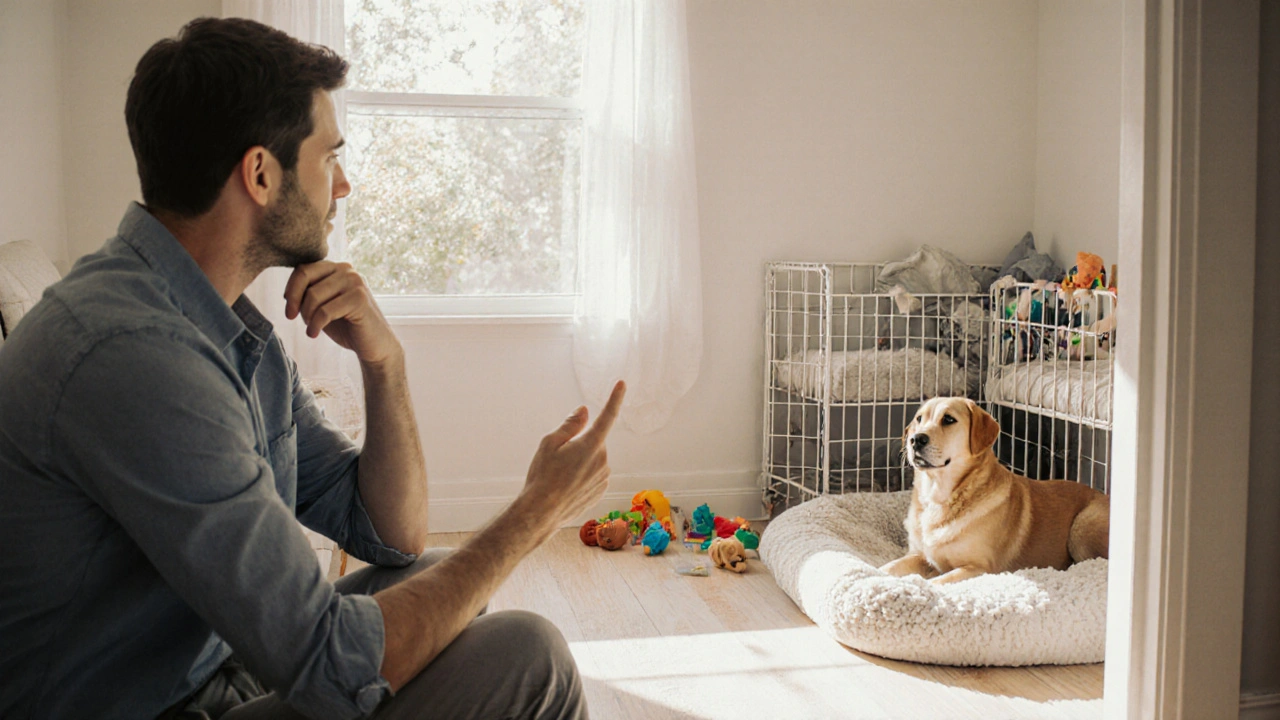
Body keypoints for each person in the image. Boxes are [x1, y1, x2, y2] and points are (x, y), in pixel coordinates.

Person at [0, 16, 624, 720]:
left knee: (436, 577)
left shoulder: (221, 329)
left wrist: (386, 364)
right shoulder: (136, 358)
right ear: (261, 175)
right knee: (529, 655)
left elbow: (389, 535)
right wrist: (536, 513)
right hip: (150, 705)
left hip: (207, 670)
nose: (344, 185)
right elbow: (330, 667)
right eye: (329, 158)